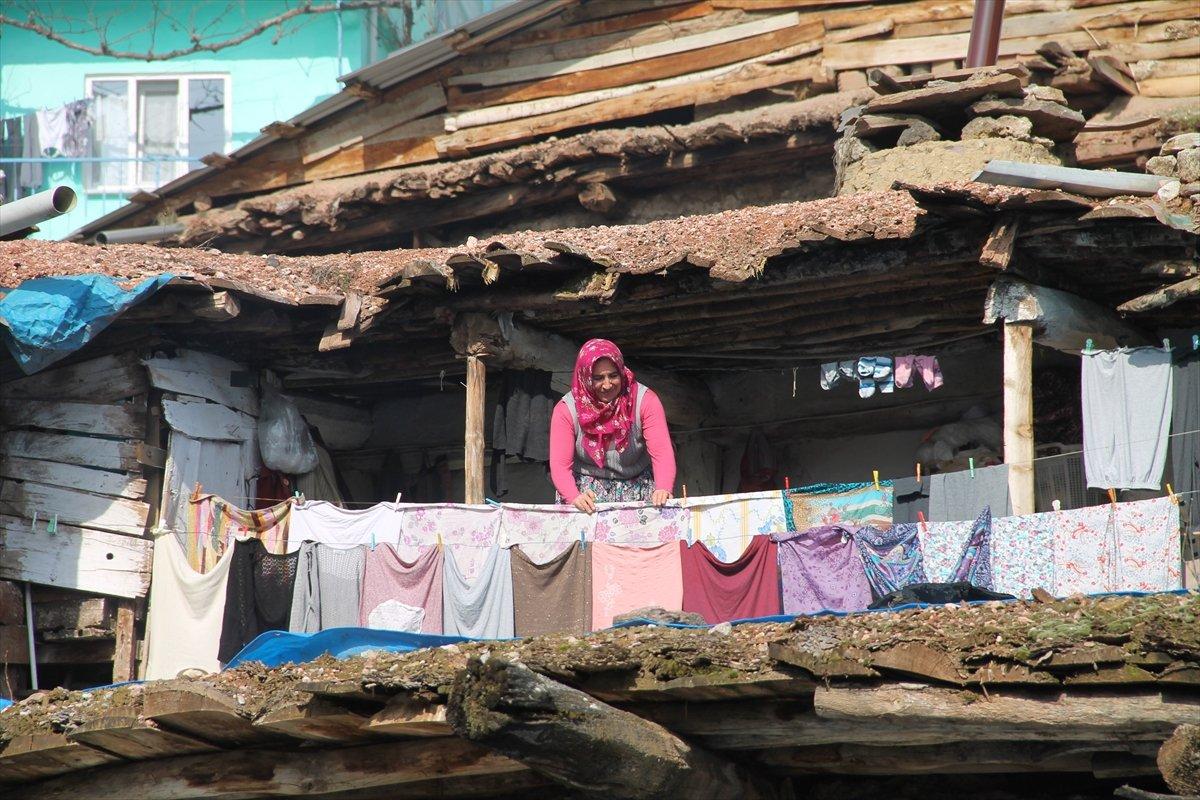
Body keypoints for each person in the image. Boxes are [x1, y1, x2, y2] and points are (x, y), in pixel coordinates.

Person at [549, 339, 676, 513]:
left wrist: (663, 488)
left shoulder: (645, 401)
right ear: (585, 377)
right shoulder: (566, 410)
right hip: (585, 496)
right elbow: (560, 465)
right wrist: (573, 497)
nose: (607, 385)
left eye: (613, 375)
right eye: (598, 378)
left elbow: (662, 453)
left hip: (637, 489)